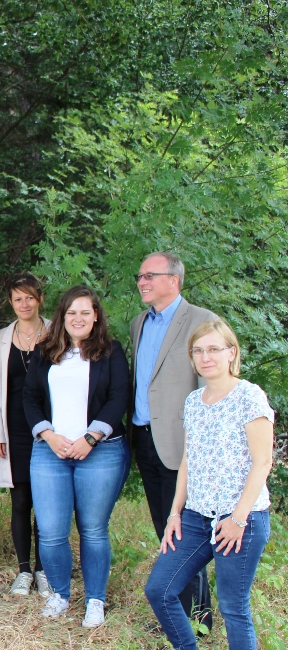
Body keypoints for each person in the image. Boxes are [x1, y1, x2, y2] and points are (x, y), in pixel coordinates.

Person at [145, 320, 274, 650]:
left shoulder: (250, 398)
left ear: (232, 353)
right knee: (160, 589)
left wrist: (236, 519)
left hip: (241, 521)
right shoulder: (194, 401)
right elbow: (188, 463)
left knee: (233, 606)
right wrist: (174, 513)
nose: (207, 357)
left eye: (215, 349)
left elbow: (262, 462)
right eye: (200, 351)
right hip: (198, 518)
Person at [24, 286, 130, 627]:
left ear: (96, 315)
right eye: (72, 312)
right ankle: (60, 594)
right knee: (52, 530)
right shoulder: (45, 351)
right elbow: (29, 399)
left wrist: (91, 436)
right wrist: (49, 435)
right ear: (62, 317)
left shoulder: (111, 352)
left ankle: (95, 599)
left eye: (85, 312)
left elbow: (118, 398)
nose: (78, 318)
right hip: (50, 451)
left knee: (93, 529)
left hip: (100, 452)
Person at [130, 251, 218, 630]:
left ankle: (193, 620)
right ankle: (185, 613)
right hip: (145, 439)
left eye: (151, 275)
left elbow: (213, 388)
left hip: (183, 446)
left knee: (184, 535)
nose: (142, 281)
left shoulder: (202, 322)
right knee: (164, 530)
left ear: (174, 280)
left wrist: (203, 450)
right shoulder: (138, 323)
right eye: (140, 276)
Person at [0, 274, 51, 597]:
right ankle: (24, 570)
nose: (24, 304)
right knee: (21, 500)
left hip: (51, 431)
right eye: (17, 299)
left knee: (48, 502)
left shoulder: (58, 333)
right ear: (11, 303)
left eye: (29, 298)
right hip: (13, 428)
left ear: (39, 298)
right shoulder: (1, 338)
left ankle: (44, 570)